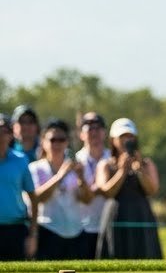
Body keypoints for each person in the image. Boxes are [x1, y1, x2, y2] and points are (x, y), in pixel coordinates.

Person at [95, 118, 162, 259]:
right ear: (113, 140)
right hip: (116, 217)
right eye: (122, 136)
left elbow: (152, 190)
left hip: (141, 216)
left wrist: (140, 170)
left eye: (130, 136)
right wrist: (122, 171)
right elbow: (107, 192)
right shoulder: (105, 165)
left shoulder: (146, 164)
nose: (127, 140)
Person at [29, 119, 91, 260]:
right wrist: (59, 176)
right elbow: (37, 198)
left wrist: (82, 179)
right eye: (52, 140)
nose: (57, 144)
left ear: (67, 142)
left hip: (76, 233)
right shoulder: (35, 168)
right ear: (43, 142)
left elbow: (87, 200)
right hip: (48, 232)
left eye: (61, 139)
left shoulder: (77, 167)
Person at [0, 113, 38, 261]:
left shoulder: (21, 160)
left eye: (4, 131)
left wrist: (32, 235)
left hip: (15, 229)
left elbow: (33, 198)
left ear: (11, 135)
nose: (1, 135)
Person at [75, 112, 109, 259]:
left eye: (98, 127)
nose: (94, 132)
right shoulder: (74, 160)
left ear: (104, 132)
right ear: (81, 134)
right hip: (82, 228)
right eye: (89, 128)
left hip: (109, 226)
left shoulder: (114, 159)